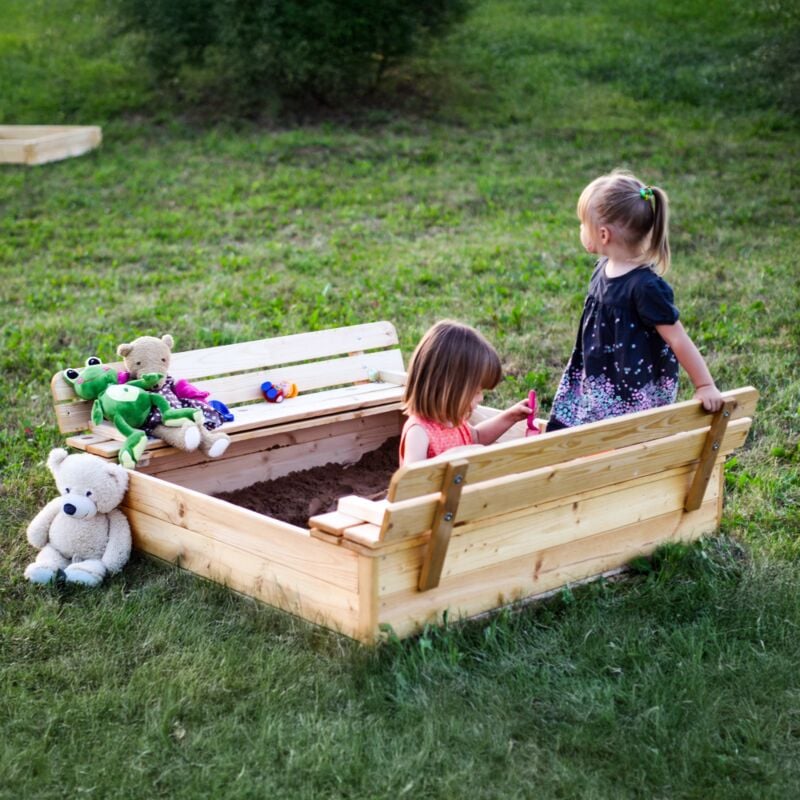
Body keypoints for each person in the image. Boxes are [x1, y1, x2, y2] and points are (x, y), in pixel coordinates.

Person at [548, 170, 724, 432]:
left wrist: (705, 385)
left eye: (583, 223)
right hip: (598, 371)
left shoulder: (645, 287)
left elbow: (677, 338)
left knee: (624, 433)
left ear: (604, 235)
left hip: (630, 382)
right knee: (585, 424)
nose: (580, 229)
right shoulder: (603, 267)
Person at [399, 320, 532, 465]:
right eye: (476, 392)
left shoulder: (454, 420)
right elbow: (411, 475)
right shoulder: (419, 431)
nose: (481, 398)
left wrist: (511, 417)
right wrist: (452, 457)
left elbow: (478, 437)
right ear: (449, 388)